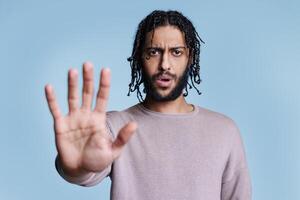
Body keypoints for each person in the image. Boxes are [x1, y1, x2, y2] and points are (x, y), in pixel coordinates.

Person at [45, 10, 252, 200]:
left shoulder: (224, 130)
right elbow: (82, 172)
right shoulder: (114, 127)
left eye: (176, 52)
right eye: (153, 52)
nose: (164, 64)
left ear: (190, 59)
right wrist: (76, 166)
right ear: (139, 59)